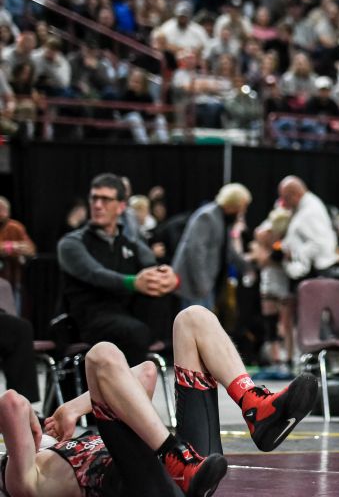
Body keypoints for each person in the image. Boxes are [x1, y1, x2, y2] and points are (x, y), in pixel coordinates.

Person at [0, 305, 318, 497]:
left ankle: (254, 407)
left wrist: (72, 408)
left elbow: (145, 372)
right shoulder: (26, 480)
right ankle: (174, 457)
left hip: (195, 473)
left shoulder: (81, 442)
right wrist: (33, 419)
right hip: (151, 488)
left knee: (193, 318)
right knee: (99, 354)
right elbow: (11, 403)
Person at [58, 173, 180, 366]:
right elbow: (95, 274)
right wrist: (134, 282)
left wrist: (170, 278)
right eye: (94, 198)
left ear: (121, 206)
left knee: (179, 316)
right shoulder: (72, 243)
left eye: (105, 199)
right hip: (88, 319)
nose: (98, 205)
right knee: (135, 331)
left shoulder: (130, 243)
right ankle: (130, 383)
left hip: (126, 315)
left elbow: (153, 269)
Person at [172, 183, 252, 309]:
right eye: (243, 206)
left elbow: (229, 251)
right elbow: (195, 252)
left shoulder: (224, 219)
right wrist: (202, 285)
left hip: (207, 284)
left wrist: (248, 266)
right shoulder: (207, 216)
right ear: (234, 204)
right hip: (194, 286)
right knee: (196, 320)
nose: (244, 211)